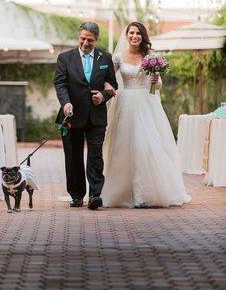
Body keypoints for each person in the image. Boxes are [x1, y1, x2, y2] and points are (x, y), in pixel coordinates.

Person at [102, 22, 191, 208]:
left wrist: (156, 80)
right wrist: (108, 87)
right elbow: (107, 79)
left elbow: (158, 86)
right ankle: (123, 192)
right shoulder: (118, 57)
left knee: (146, 144)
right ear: (127, 36)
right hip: (126, 103)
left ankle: (144, 193)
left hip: (147, 103)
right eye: (131, 33)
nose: (135, 36)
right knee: (124, 146)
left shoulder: (150, 57)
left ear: (143, 36)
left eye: (138, 33)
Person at [54, 22, 118, 210]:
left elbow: (112, 84)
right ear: (78, 37)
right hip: (71, 115)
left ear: (96, 40)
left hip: (97, 116)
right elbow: (60, 84)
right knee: (73, 156)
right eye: (83, 38)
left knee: (95, 155)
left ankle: (95, 195)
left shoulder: (105, 57)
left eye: (90, 40)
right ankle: (76, 195)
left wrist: (103, 96)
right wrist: (65, 103)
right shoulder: (65, 58)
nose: (85, 42)